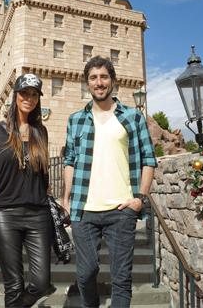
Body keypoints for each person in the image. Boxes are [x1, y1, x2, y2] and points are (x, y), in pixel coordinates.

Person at [62, 56, 157, 308]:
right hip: (84, 209)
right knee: (85, 273)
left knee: (122, 279)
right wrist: (66, 198)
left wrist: (140, 198)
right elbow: (69, 160)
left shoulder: (133, 117)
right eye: (93, 78)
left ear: (113, 81)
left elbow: (149, 158)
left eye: (104, 77)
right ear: (87, 83)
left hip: (121, 210)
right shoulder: (75, 120)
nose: (99, 82)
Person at [0, 74, 54, 306]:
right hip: (5, 214)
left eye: (34, 94)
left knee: (42, 282)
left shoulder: (40, 132)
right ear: (15, 95)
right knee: (14, 285)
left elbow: (44, 176)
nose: (29, 98)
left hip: (38, 215)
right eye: (25, 93)